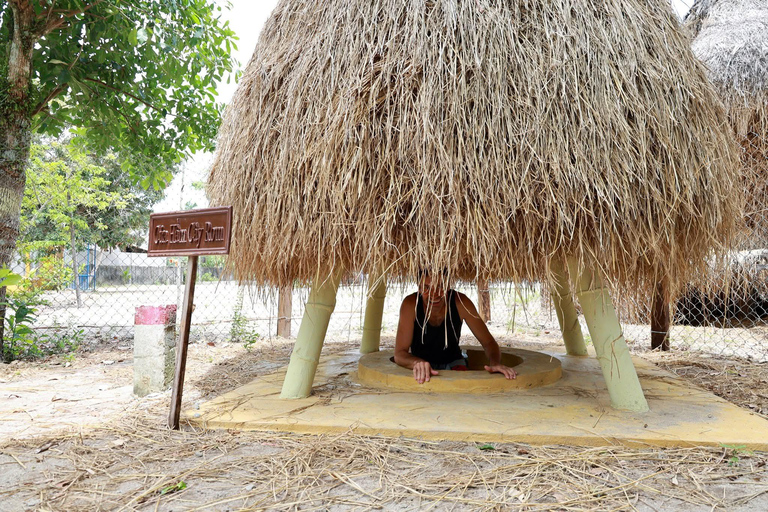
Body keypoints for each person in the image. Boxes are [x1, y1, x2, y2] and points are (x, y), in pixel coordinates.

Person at [394, 269, 518, 384]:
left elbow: (489, 342)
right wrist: (417, 362)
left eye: (440, 287)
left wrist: (495, 363)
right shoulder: (410, 305)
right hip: (420, 365)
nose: (434, 294)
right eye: (427, 288)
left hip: (453, 362)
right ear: (419, 288)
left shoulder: (460, 302)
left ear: (448, 285)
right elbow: (399, 354)